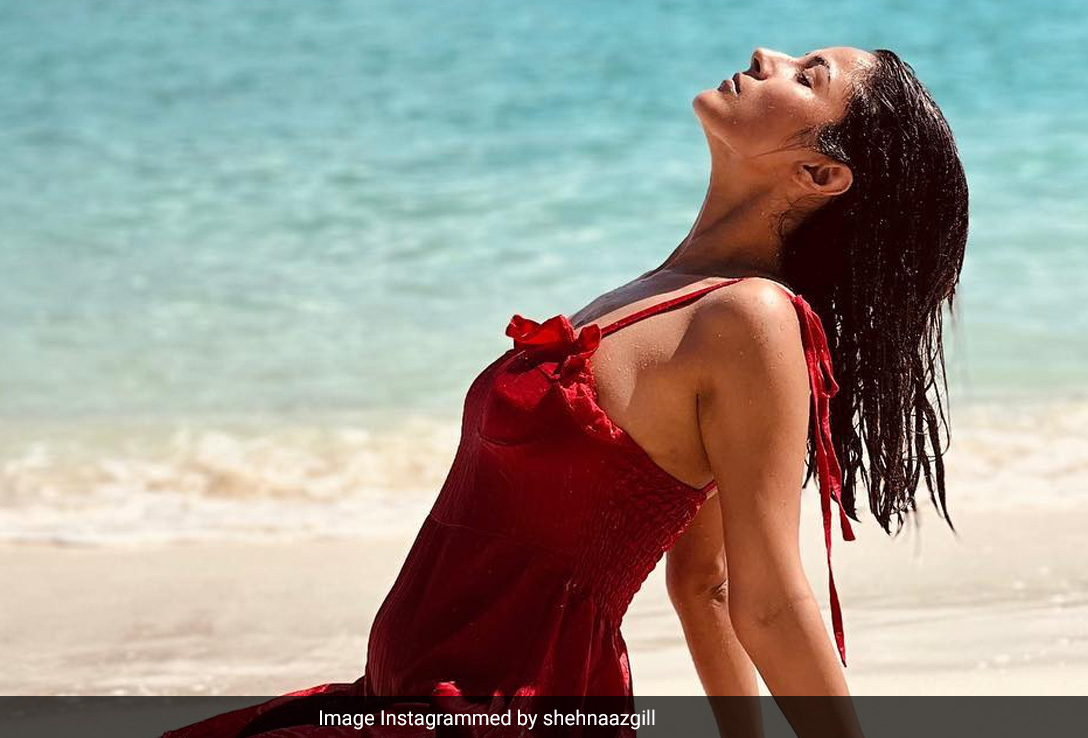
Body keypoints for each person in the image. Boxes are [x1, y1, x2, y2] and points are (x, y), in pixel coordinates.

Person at [163, 45, 968, 738]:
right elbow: (703, 584)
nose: (767, 55)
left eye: (807, 75)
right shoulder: (669, 291)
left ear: (820, 173)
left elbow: (768, 603)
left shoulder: (750, 317)